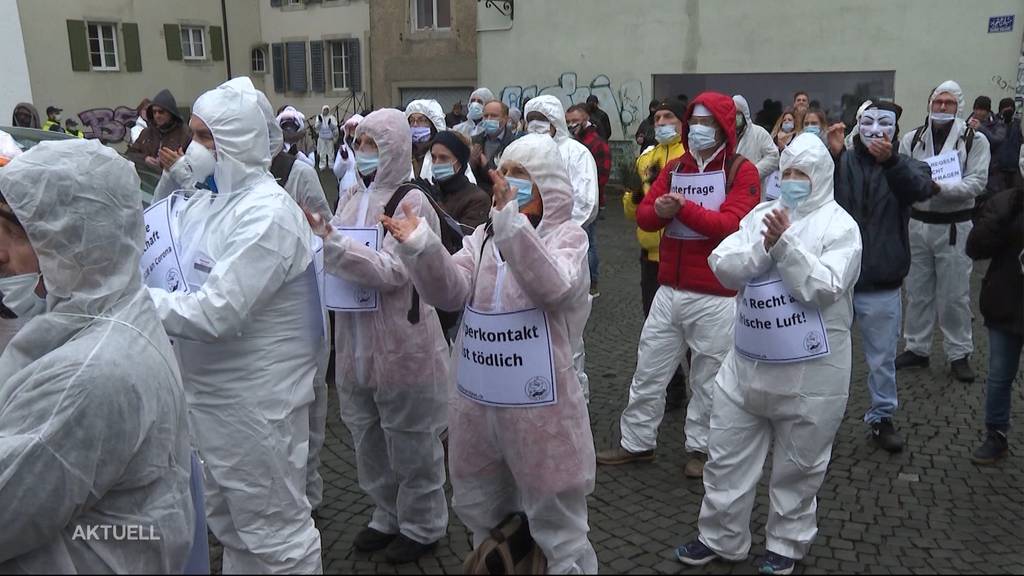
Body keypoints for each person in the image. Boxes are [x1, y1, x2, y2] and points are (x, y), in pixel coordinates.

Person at [382, 132, 598, 574]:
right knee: (483, 511)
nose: (509, 183)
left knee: (557, 525)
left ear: (549, 186)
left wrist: (512, 228)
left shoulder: (567, 237)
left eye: (524, 176)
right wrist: (421, 247)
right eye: (508, 172)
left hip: (542, 406)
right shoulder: (482, 239)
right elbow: (450, 292)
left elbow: (554, 285)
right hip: (479, 402)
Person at [148, 79, 323, 573]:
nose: (191, 148)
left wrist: (133, 300)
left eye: (206, 138)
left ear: (239, 142)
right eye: (194, 134)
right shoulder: (212, 202)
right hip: (210, 404)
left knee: (277, 537)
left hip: (257, 407)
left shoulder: (267, 214)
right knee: (234, 531)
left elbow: (214, 312)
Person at [0, 138, 194, 572]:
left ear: (75, 239)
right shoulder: (111, 308)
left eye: (17, 233)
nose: (0, 253)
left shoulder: (89, 373)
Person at [676, 133, 862, 575]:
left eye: (803, 174)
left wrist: (785, 246)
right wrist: (765, 246)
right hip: (747, 365)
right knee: (725, 455)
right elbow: (723, 263)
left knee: (800, 465)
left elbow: (823, 286)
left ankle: (787, 542)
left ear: (821, 177)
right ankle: (720, 536)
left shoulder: (841, 227)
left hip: (812, 373)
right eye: (788, 173)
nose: (793, 182)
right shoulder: (761, 214)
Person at [309, 108, 450, 564]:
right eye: (361, 144)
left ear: (394, 147)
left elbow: (392, 270)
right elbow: (335, 252)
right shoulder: (351, 196)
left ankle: (423, 523)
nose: (364, 153)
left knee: (411, 441)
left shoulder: (413, 200)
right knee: (367, 438)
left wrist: (333, 246)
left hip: (401, 341)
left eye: (373, 145)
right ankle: (386, 514)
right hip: (355, 342)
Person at [596, 92, 761, 478]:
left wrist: (681, 208)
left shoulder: (743, 171)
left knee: (710, 377)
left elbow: (732, 225)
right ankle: (636, 442)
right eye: (695, 122)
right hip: (669, 286)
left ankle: (702, 448)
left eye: (707, 123)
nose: (698, 130)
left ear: (723, 127)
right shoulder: (676, 169)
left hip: (717, 292)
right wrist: (660, 210)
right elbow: (646, 216)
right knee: (649, 369)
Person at [829, 101, 935, 453]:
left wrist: (890, 162)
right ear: (858, 125)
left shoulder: (907, 164)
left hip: (883, 278)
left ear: (895, 129)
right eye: (869, 122)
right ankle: (822, 418)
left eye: (885, 124)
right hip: (838, 280)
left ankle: (882, 417)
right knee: (829, 357)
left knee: (882, 358)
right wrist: (829, 158)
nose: (877, 130)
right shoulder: (841, 161)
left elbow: (920, 189)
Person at [894, 80, 991, 383]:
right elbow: (902, 174)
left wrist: (940, 188)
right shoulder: (913, 138)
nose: (943, 107)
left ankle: (958, 352)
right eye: (938, 102)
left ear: (958, 106)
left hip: (954, 225)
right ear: (930, 104)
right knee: (918, 292)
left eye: (949, 103)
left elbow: (977, 182)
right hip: (918, 222)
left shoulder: (974, 140)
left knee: (954, 295)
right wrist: (918, 187)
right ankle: (917, 347)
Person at [523, 95, 599, 401]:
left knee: (567, 335)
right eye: (531, 117)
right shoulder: (522, 153)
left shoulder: (576, 154)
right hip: (526, 250)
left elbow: (586, 202)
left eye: (543, 117)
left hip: (564, 250)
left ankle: (573, 399)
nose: (536, 124)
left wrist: (554, 231)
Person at [622, 99, 690, 412]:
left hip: (685, 255)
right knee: (656, 328)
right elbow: (635, 213)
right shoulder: (646, 158)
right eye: (657, 117)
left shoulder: (689, 156)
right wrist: (632, 196)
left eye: (668, 116)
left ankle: (704, 389)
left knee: (691, 330)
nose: (661, 122)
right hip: (650, 255)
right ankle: (673, 389)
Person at [966, 184, 1023, 464]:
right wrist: (1001, 216)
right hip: (1007, 302)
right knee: (1000, 374)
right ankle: (996, 433)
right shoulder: (1007, 202)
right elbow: (975, 247)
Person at [567, 103, 610, 296]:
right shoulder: (572, 141)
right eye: (568, 121)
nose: (571, 124)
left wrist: (588, 199)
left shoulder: (596, 143)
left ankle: (592, 283)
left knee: (588, 243)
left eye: (575, 121)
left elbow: (601, 177)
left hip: (589, 203)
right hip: (571, 202)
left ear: (586, 119)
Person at [126, 89, 191, 172]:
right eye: (154, 112)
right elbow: (130, 154)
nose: (157, 115)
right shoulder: (146, 133)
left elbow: (193, 162)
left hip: (174, 180)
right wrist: (145, 158)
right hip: (149, 180)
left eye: (161, 112)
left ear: (171, 113)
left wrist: (176, 161)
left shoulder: (185, 133)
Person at [471, 100, 519, 193]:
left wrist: (486, 166)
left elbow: (508, 178)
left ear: (505, 119)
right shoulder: (474, 141)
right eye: (485, 116)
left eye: (494, 116)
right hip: (477, 196)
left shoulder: (514, 144)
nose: (488, 119)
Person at [734, 94, 780, 184]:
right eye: (732, 113)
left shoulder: (759, 133)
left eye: (738, 113)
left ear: (745, 113)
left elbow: (773, 156)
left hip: (753, 188)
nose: (735, 116)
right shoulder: (725, 135)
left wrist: (752, 173)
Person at [969, 96, 1009, 197]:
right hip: (972, 170)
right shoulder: (969, 121)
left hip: (992, 172)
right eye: (976, 109)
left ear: (987, 111)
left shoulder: (998, 124)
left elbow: (997, 141)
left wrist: (981, 128)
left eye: (982, 110)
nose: (978, 113)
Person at [406, 99, 447, 179]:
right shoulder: (404, 154)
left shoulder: (446, 153)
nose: (415, 125)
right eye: (411, 120)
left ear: (433, 125)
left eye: (421, 120)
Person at [334, 113, 363, 195]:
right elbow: (337, 173)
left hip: (362, 190)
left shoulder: (367, 148)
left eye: (356, 128)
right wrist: (344, 160)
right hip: (346, 190)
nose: (353, 132)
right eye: (351, 129)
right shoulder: (344, 148)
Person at [314, 105, 339, 171]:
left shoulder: (332, 118)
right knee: (322, 153)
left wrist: (330, 124)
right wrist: (319, 121)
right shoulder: (319, 117)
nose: (326, 111)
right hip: (322, 138)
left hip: (329, 138)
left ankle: (331, 165)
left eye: (327, 110)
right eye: (324, 110)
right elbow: (316, 127)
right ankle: (322, 165)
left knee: (331, 153)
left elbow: (334, 128)